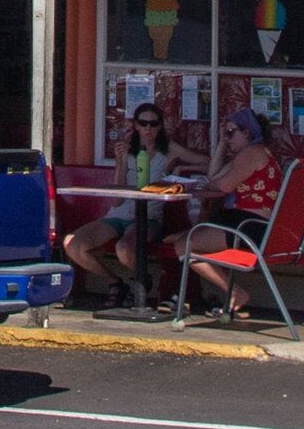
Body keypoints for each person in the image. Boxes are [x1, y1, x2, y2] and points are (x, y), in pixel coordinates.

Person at [178, 108, 284, 323]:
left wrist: (211, 184)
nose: (228, 137)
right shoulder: (255, 154)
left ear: (247, 133)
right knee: (184, 239)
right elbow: (214, 175)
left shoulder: (251, 153)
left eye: (231, 132)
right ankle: (232, 291)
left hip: (249, 227)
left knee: (183, 244)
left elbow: (223, 185)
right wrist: (221, 144)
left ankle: (234, 291)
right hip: (256, 226)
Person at [64, 104, 175, 307]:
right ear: (136, 126)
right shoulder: (129, 152)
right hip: (118, 215)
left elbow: (203, 161)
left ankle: (142, 281)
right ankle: (115, 282)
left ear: (160, 126)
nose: (148, 128)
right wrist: (121, 162)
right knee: (72, 244)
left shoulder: (168, 152)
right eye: (143, 123)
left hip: (148, 216)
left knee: (124, 248)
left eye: (153, 123)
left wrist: (186, 168)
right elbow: (116, 200)